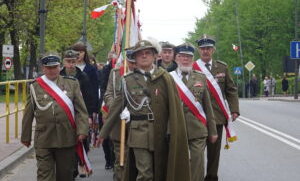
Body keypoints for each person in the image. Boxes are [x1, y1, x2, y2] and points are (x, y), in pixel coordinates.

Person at [97, 40, 191, 181]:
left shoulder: (165, 77)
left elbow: (174, 108)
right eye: (140, 54)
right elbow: (116, 107)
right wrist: (103, 133)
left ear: (155, 56)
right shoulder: (127, 80)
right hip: (139, 132)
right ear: (134, 58)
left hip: (161, 132)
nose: (144, 56)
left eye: (148, 53)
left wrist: (173, 132)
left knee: (160, 171)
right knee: (145, 173)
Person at [21, 53, 89, 181]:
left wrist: (82, 130)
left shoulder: (72, 84)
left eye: (55, 67)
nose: (52, 70)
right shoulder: (34, 86)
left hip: (66, 137)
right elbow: (28, 113)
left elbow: (81, 111)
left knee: (65, 175)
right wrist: (26, 136)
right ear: (43, 68)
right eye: (48, 67)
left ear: (60, 67)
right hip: (44, 138)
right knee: (44, 175)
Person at [193, 35, 240, 181]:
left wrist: (234, 109)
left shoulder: (222, 67)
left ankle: (212, 177)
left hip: (217, 118)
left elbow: (231, 90)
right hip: (197, 117)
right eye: (202, 49)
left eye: (208, 48)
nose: (205, 51)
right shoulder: (193, 68)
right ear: (199, 50)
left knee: (214, 153)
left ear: (213, 50)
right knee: (196, 152)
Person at [171, 43, 218, 181]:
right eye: (181, 56)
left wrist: (213, 130)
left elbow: (208, 106)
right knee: (179, 163)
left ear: (193, 59)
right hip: (176, 129)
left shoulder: (201, 77)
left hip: (197, 129)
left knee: (197, 163)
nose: (185, 59)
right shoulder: (168, 78)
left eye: (189, 57)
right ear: (176, 59)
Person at [60, 49, 95, 178]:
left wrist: (90, 116)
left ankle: (80, 163)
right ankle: (71, 167)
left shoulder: (83, 77)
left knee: (81, 140)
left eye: (73, 62)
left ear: (76, 62)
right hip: (64, 115)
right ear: (63, 62)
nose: (70, 65)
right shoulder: (59, 76)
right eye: (68, 62)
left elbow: (89, 97)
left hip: (79, 114)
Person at [103, 48, 136, 180]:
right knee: (121, 160)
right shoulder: (116, 73)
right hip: (119, 124)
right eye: (130, 61)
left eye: (135, 61)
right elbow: (108, 94)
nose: (133, 64)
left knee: (140, 162)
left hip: (140, 125)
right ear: (126, 60)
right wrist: (117, 108)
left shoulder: (147, 74)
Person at [71, 42, 99, 176]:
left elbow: (94, 89)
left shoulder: (91, 69)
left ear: (85, 53)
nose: (78, 55)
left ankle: (82, 161)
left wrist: (94, 109)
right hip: (69, 105)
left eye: (81, 52)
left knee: (83, 134)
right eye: (76, 52)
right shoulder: (67, 69)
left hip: (85, 106)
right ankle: (74, 163)